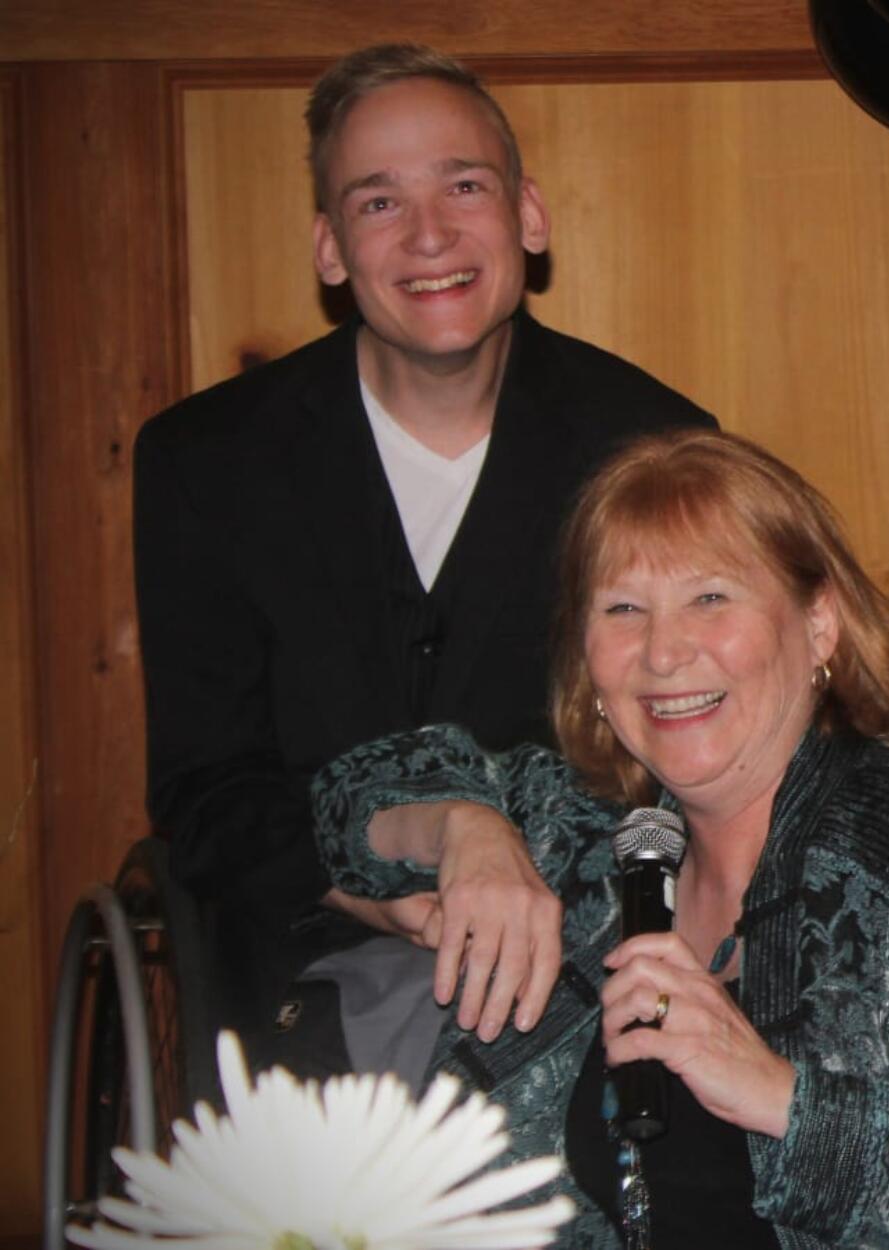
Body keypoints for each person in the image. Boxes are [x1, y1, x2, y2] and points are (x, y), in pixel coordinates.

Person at [312, 428, 889, 1248]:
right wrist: (466, 829)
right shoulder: (595, 834)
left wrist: (785, 1102)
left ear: (819, 625)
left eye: (709, 597)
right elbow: (350, 803)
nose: (663, 654)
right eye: (623, 610)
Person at [133, 43, 713, 1080]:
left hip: (585, 988)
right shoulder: (205, 462)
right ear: (329, 247)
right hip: (291, 985)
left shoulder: (654, 442)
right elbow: (205, 788)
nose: (430, 233)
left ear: (527, 218)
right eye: (378, 202)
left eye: (462, 185)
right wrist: (367, 886)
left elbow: (680, 756)